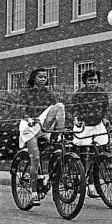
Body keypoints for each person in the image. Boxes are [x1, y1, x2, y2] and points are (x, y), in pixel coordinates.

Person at [17, 67, 65, 206]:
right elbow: (21, 109)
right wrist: (28, 119)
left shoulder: (48, 93)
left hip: (43, 123)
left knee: (59, 105)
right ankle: (33, 193)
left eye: (45, 77)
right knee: (36, 158)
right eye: (40, 77)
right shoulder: (26, 92)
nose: (43, 79)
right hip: (30, 125)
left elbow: (56, 110)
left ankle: (59, 134)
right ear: (34, 78)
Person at [68, 69, 111, 198]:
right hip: (84, 125)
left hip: (97, 125)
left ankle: (91, 185)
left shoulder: (102, 93)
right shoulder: (79, 94)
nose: (93, 83)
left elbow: (105, 107)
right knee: (83, 154)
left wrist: (105, 118)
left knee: (95, 155)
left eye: (95, 80)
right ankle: (79, 178)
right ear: (85, 82)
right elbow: (73, 109)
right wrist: (76, 119)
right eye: (90, 80)